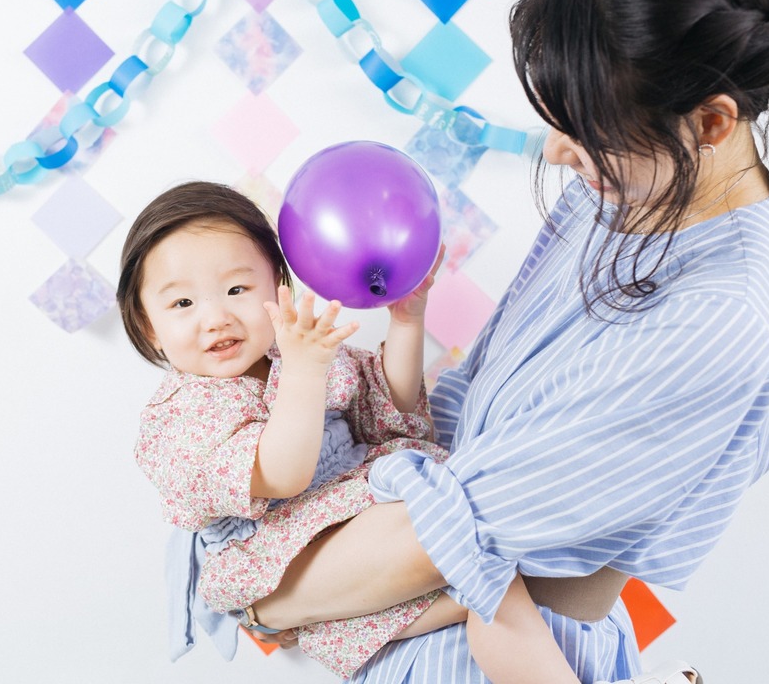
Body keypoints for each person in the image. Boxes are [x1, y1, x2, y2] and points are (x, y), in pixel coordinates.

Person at [236, 0, 769, 682]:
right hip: (421, 620)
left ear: (711, 123)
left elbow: (454, 534)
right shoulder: (630, 194)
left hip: (487, 645)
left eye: (588, 128)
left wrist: (259, 595)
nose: (559, 151)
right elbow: (466, 418)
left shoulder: (719, 313)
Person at [118, 180, 602, 682]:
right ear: (148, 325)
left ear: (278, 287)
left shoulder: (295, 354)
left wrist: (407, 320)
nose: (216, 318)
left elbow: (388, 408)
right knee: (472, 558)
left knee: (491, 587)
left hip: (356, 531)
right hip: (284, 557)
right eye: (182, 304)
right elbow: (282, 474)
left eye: (237, 289)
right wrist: (306, 372)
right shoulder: (179, 417)